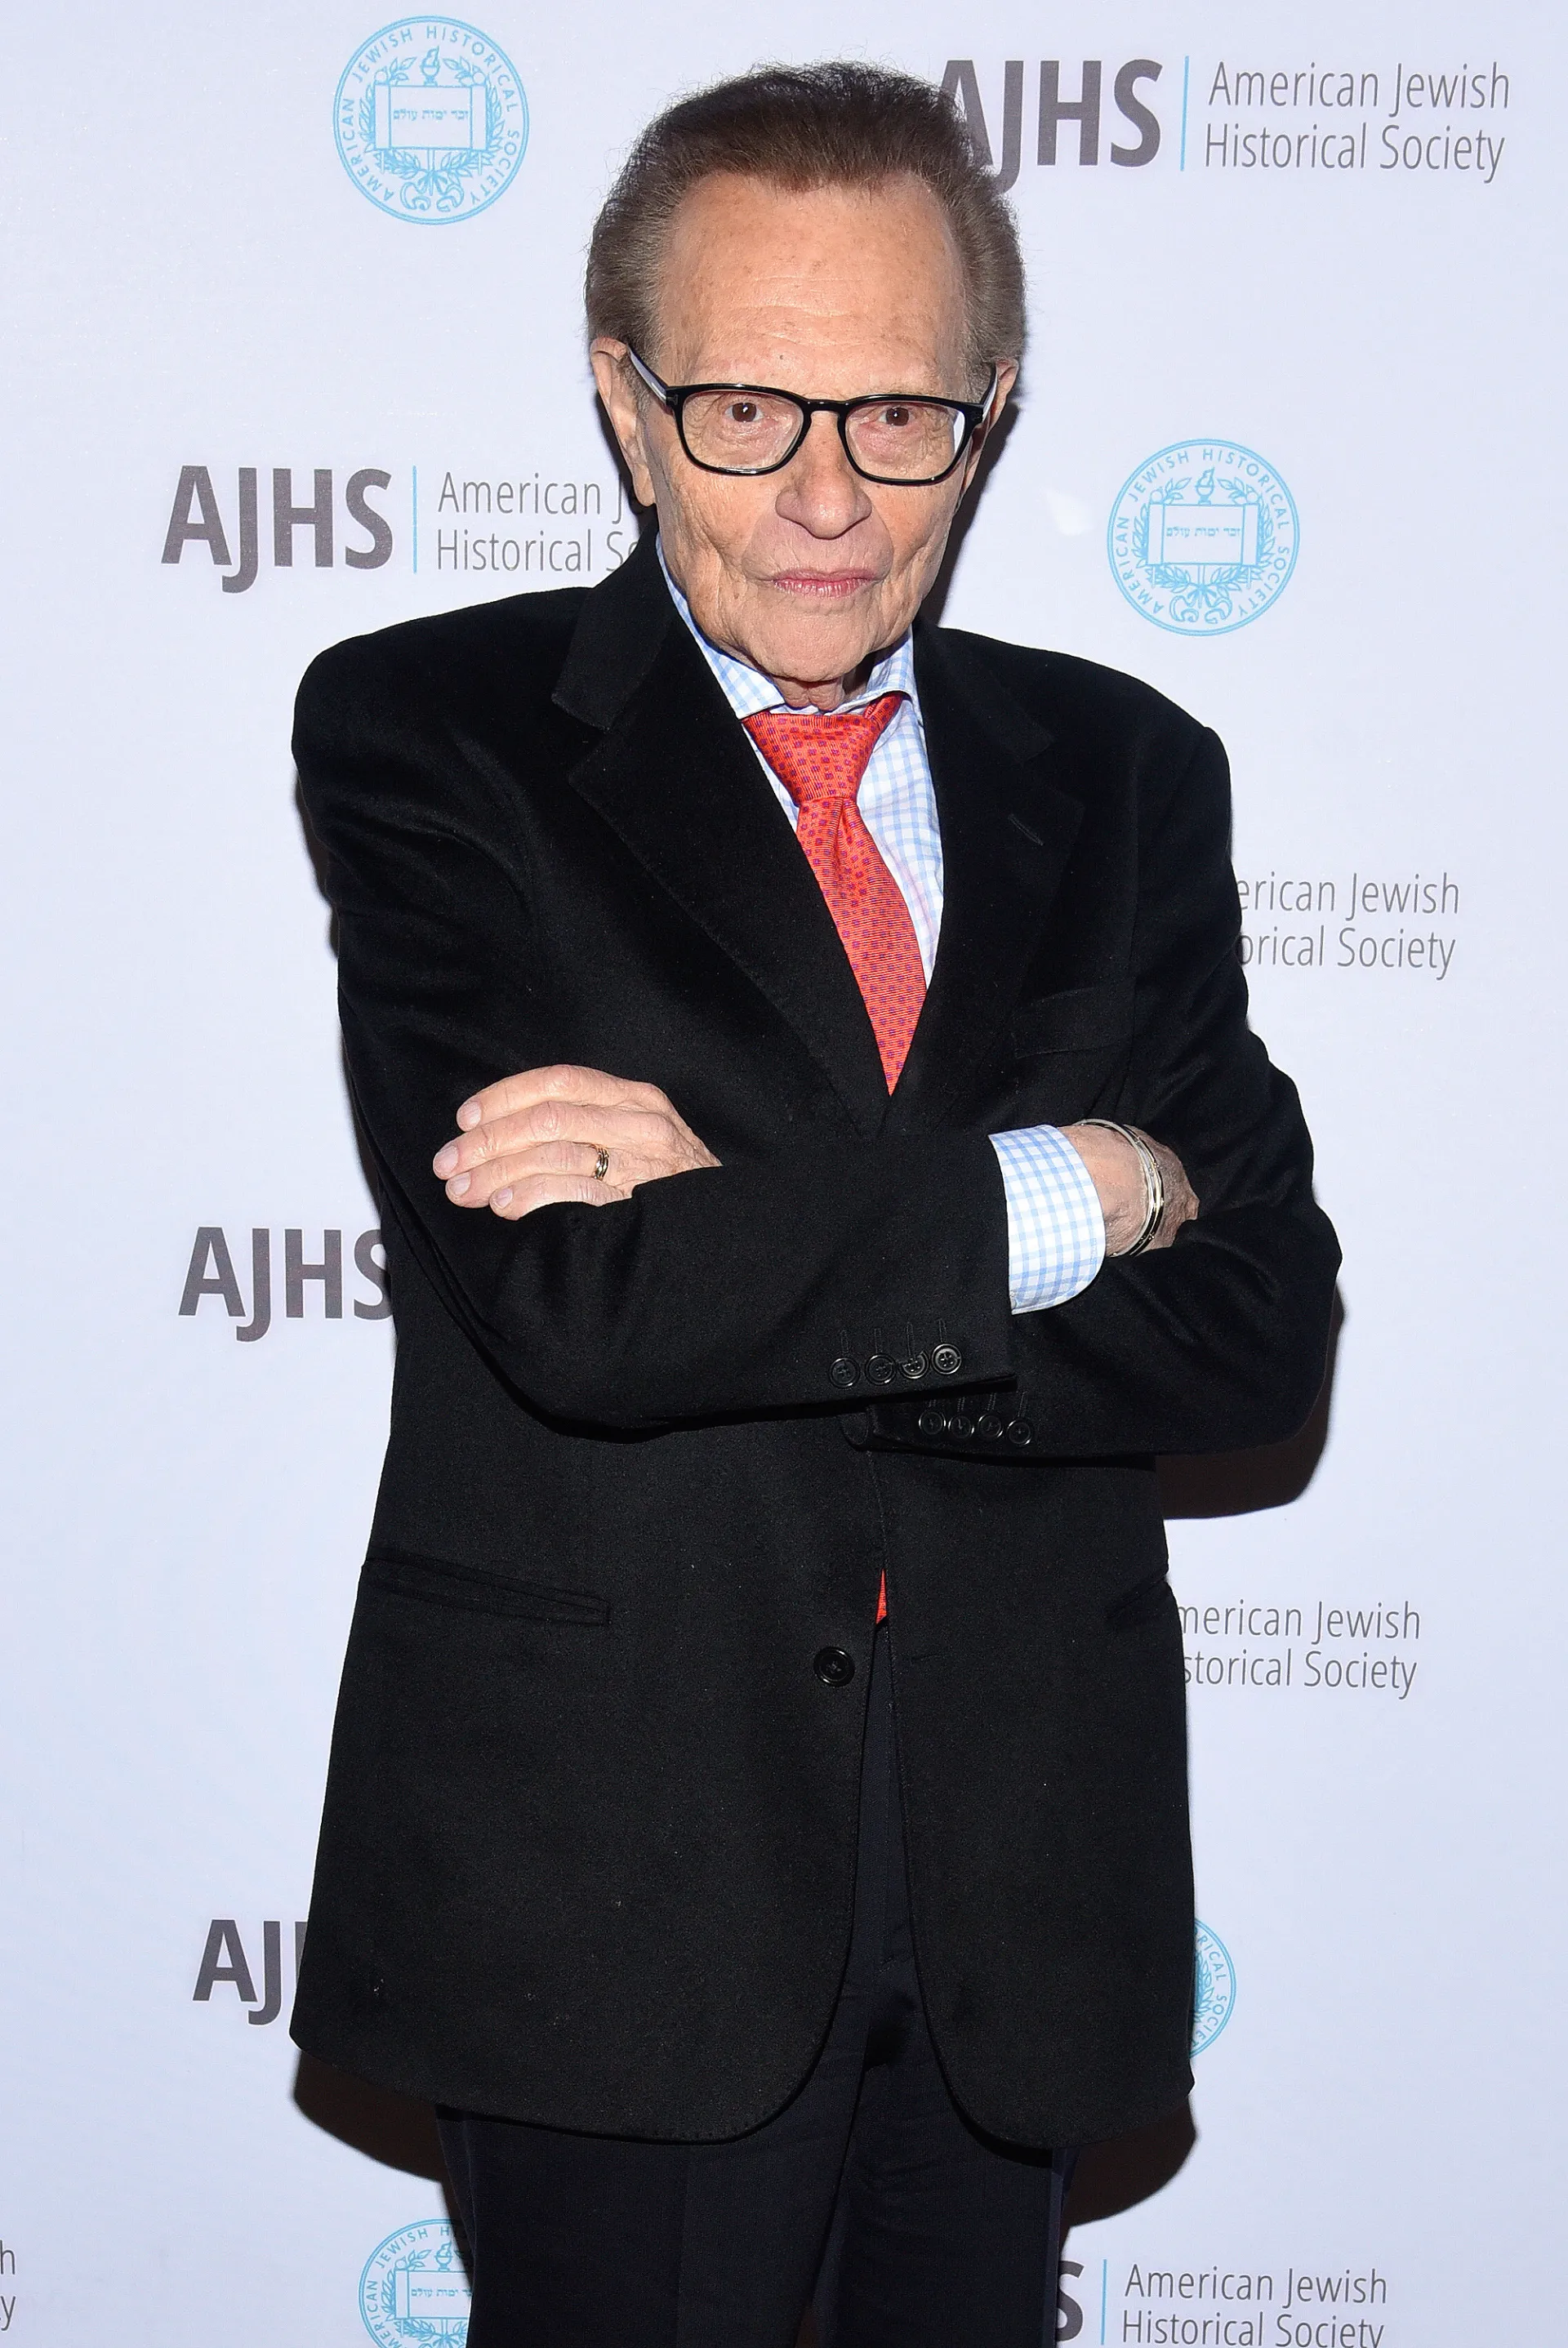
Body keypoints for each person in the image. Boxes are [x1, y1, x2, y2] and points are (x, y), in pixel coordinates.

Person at [291, 61, 1339, 2348]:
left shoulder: (1126, 773)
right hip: (609, 1872)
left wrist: (751, 1222)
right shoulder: (435, 734)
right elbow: (581, 1310)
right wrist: (1082, 1186)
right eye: (750, 411)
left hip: (1020, 1879)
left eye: (902, 417)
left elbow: (1265, 1320)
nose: (832, 498)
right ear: (626, 403)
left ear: (995, 407)